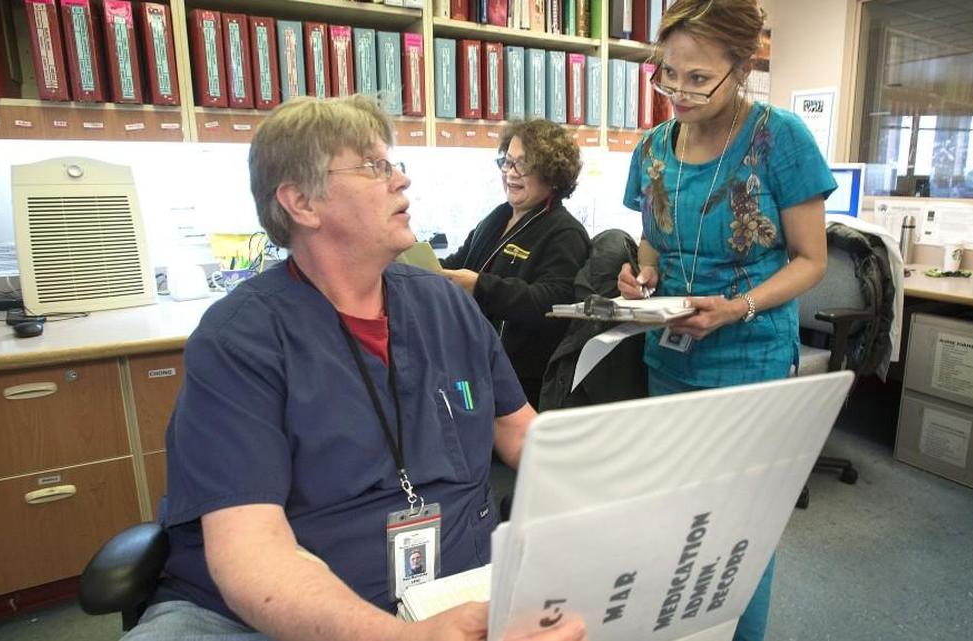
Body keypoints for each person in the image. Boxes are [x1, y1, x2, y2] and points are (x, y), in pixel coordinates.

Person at [123, 96, 585, 641]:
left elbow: (521, 432)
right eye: (375, 166)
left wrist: (622, 500)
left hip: (458, 591)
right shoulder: (240, 341)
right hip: (274, 614)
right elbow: (252, 552)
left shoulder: (446, 306)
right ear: (301, 202)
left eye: (394, 163)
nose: (402, 181)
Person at [618, 1, 835, 640]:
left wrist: (738, 307)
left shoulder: (779, 137)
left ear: (741, 67)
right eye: (667, 74)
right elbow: (653, 236)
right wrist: (643, 278)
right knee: (679, 520)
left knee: (738, 527)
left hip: (750, 354)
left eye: (696, 78)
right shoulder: (654, 146)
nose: (677, 93)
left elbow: (812, 260)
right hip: (672, 352)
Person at [441, 119, 591, 409]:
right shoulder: (498, 216)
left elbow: (553, 301)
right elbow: (461, 260)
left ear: (552, 173)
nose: (510, 173)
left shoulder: (564, 232)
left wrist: (478, 286)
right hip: (475, 364)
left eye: (523, 165)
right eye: (507, 162)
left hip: (521, 381)